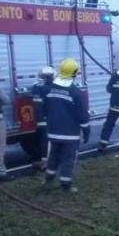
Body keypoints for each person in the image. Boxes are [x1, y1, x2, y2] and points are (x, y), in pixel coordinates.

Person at [44, 58, 90, 193]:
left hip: (53, 132)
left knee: (53, 156)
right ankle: (66, 186)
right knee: (68, 159)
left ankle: (48, 181)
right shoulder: (75, 92)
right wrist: (86, 130)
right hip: (69, 134)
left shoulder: (50, 88)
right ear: (74, 73)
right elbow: (82, 114)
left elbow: (46, 108)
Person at [30, 66, 55, 170]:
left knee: (42, 139)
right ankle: (46, 161)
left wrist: (40, 120)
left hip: (41, 118)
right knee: (49, 139)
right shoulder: (56, 86)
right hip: (51, 117)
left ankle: (44, 160)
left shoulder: (36, 87)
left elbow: (37, 105)